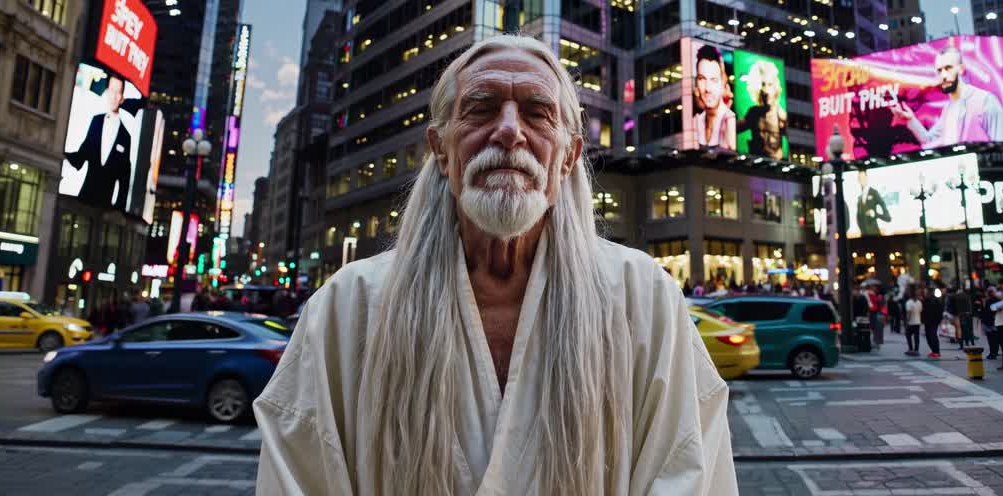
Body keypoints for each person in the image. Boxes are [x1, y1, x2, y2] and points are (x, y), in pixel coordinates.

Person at [254, 35, 736, 494]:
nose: (508, 130)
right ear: (440, 150)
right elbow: (300, 473)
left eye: (537, 112)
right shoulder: (347, 307)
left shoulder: (643, 296)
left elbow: (685, 469)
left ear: (568, 157)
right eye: (481, 109)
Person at [889, 46, 1003, 148]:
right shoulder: (948, 109)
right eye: (939, 70)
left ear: (961, 69)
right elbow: (929, 140)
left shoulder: (986, 100)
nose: (944, 75)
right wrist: (910, 119)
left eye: (948, 68)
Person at [63, 75, 133, 208]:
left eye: (117, 92)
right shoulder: (96, 121)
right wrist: (62, 153)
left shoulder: (125, 137)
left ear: (122, 98)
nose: (113, 96)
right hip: (85, 196)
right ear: (106, 92)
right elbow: (82, 154)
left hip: (105, 205)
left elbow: (124, 177)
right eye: (111, 91)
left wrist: (118, 208)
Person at [739, 58, 787, 159]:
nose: (766, 91)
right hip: (754, 165)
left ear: (775, 87)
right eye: (762, 85)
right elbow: (734, 128)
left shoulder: (781, 115)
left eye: (769, 84)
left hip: (777, 165)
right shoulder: (753, 112)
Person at [692, 44, 736, 149]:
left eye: (714, 80)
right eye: (702, 78)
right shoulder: (696, 121)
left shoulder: (730, 120)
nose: (708, 89)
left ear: (723, 81)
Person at [854, 169, 892, 237]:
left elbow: (888, 217)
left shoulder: (874, 193)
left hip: (875, 235)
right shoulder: (859, 198)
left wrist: (875, 214)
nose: (861, 180)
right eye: (859, 178)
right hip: (863, 236)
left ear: (866, 178)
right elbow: (858, 217)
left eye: (863, 177)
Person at [921, 287, 945, 358]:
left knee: (932, 335)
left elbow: (938, 311)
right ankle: (934, 351)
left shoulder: (934, 300)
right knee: (929, 335)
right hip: (929, 321)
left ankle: (936, 351)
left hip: (932, 321)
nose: (925, 293)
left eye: (926, 292)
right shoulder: (927, 300)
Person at [904, 287, 923, 356]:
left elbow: (908, 313)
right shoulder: (919, 302)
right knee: (916, 336)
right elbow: (920, 311)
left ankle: (910, 349)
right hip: (917, 322)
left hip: (911, 322)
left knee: (908, 335)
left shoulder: (908, 302)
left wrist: (907, 321)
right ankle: (916, 349)